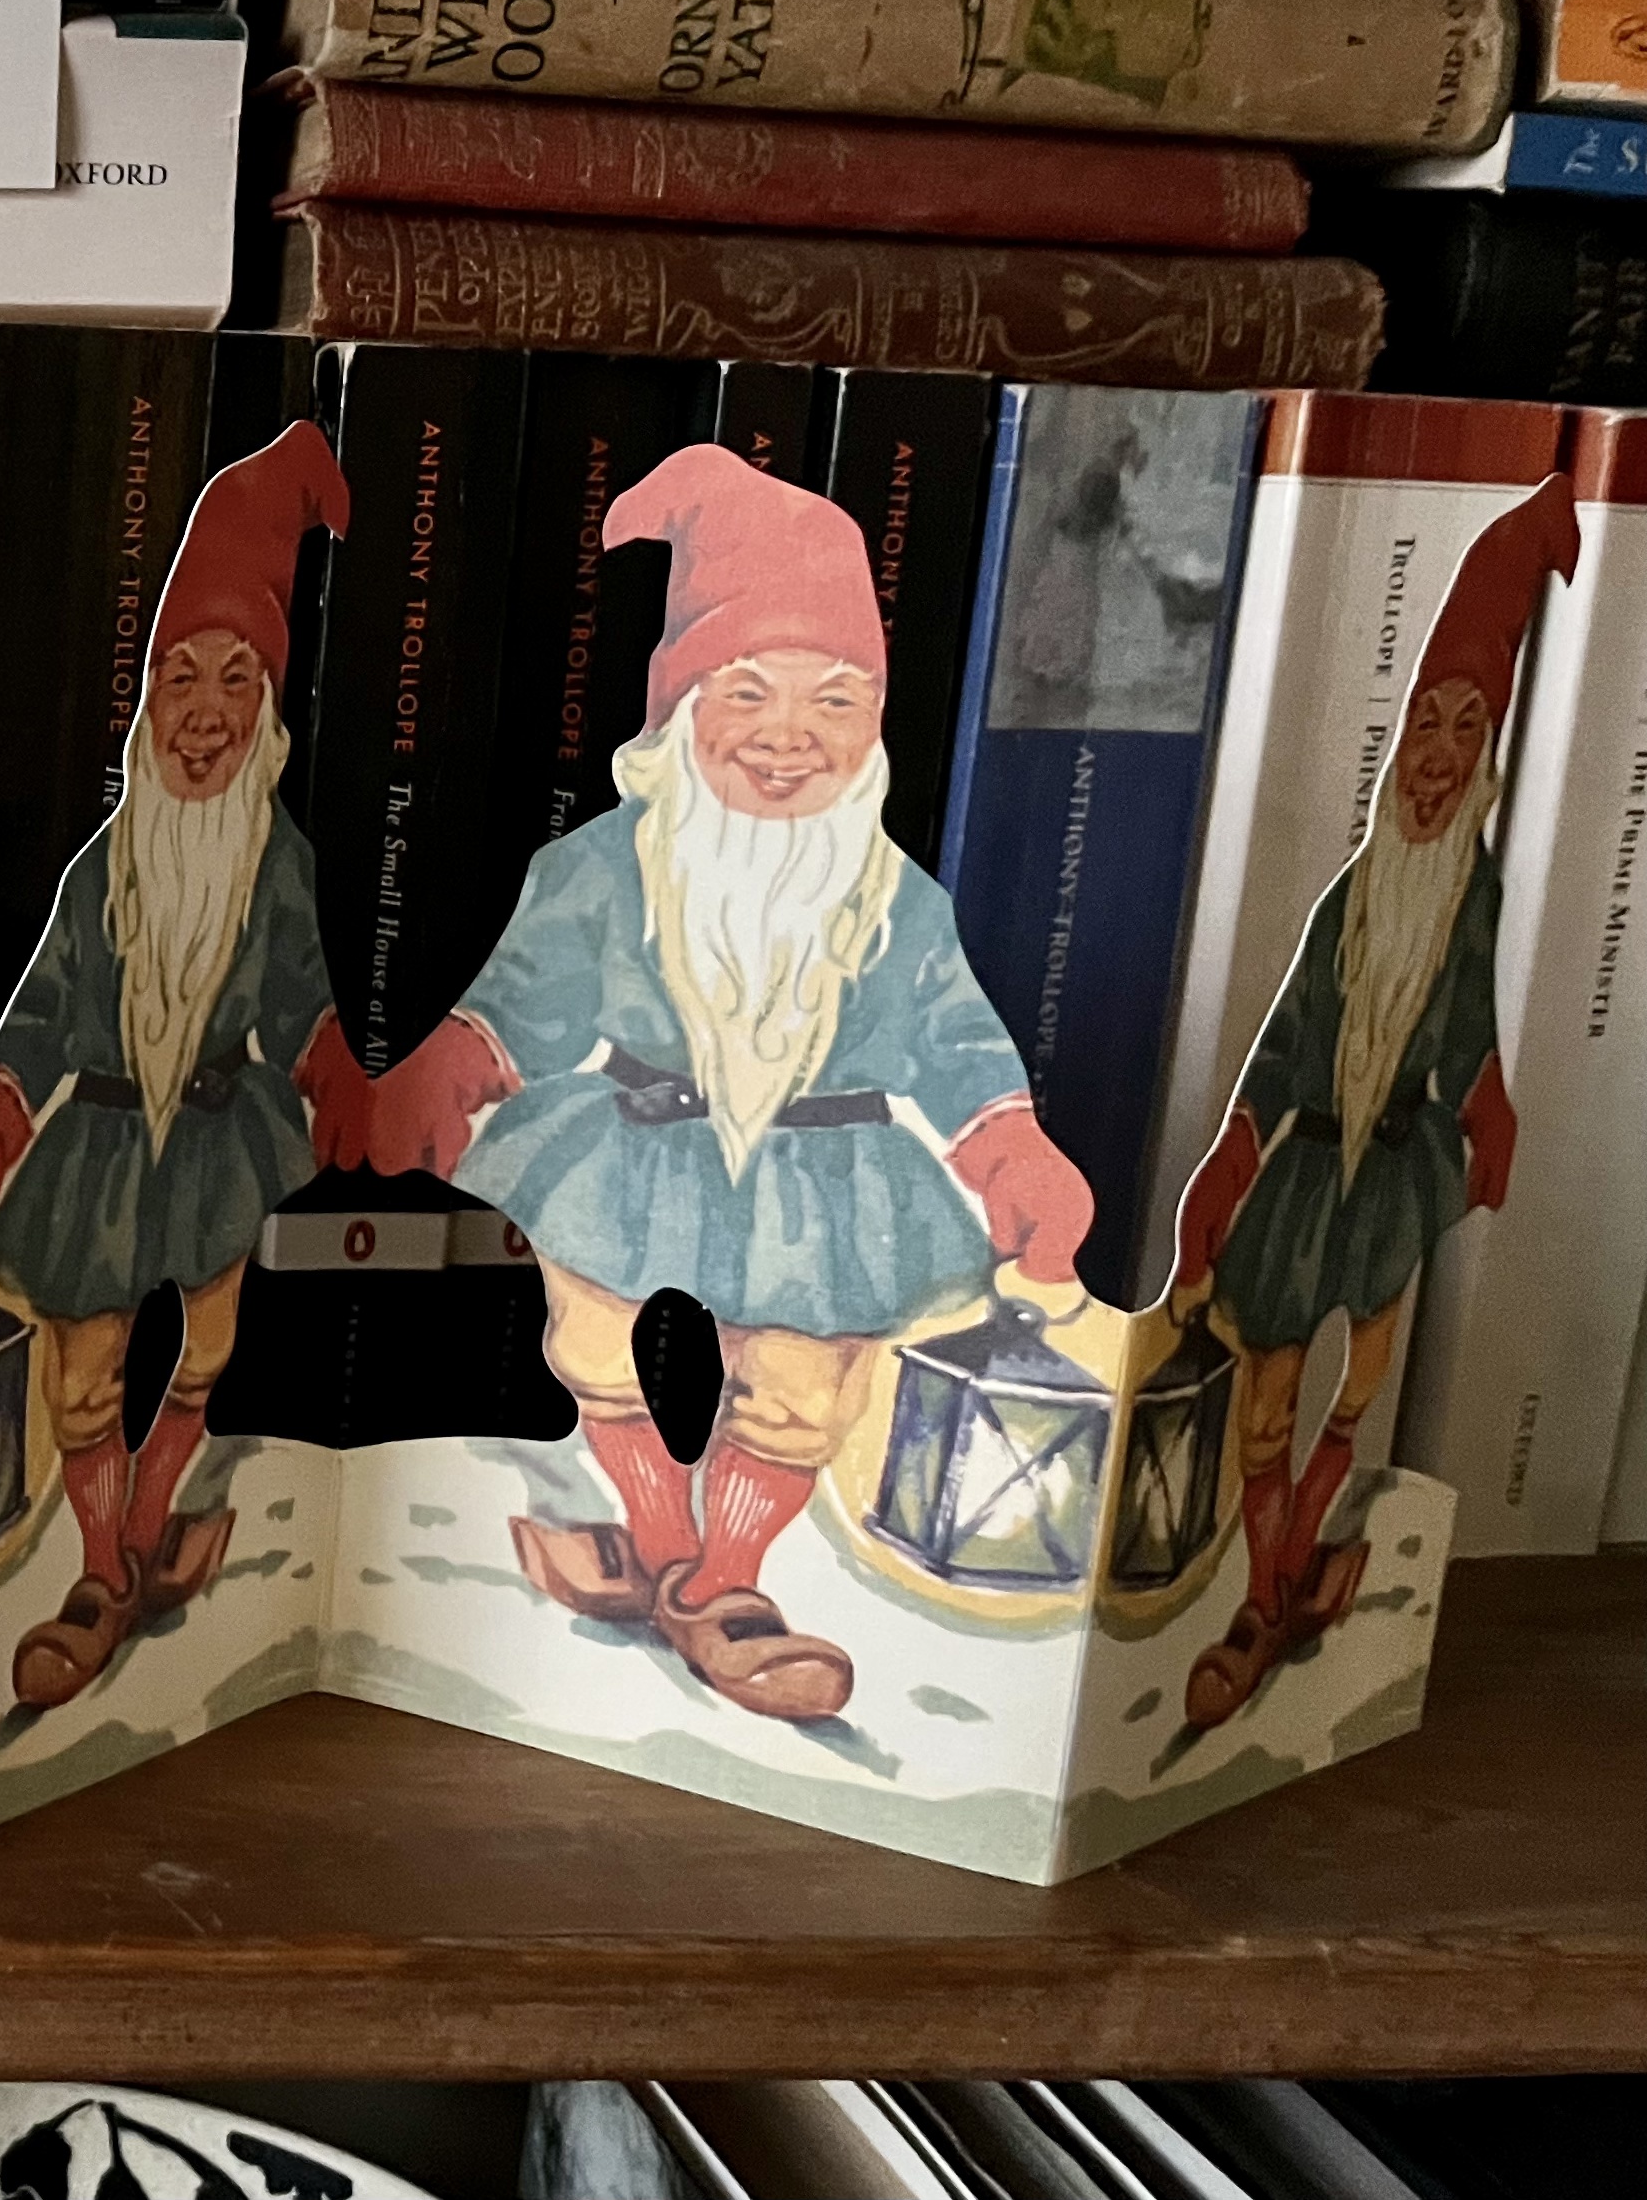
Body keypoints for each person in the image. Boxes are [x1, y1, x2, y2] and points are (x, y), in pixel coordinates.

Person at [366, 445, 1095, 1723]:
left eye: (835, 700)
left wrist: (1009, 1145)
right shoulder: (602, 868)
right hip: (632, 1149)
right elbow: (529, 994)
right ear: (681, 709)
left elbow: (957, 1041)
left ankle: (728, 1576)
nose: (787, 736)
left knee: (802, 1387)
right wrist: (452, 1065)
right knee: (594, 1335)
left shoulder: (897, 902)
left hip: (828, 1182)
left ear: (875, 723)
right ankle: (662, 1538)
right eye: (746, 690)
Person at [0, 424, 362, 1709]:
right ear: (148, 704)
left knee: (208, 1343)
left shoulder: (278, 864)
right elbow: (38, 1022)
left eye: (237, 679)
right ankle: (104, 1568)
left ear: (267, 710)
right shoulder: (100, 873)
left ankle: (151, 1515)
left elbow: (301, 992)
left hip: (221, 1135)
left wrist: (332, 1064)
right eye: (182, 677)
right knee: (84, 1377)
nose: (207, 711)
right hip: (103, 1155)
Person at [1172, 476, 1566, 1730]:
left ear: (1486, 755)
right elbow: (1285, 1044)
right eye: (1424, 726)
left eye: (1466, 728)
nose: (1438, 754)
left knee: (1362, 1383)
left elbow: (1471, 1028)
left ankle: (1295, 1579)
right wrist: (1230, 1166)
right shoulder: (1353, 893)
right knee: (1267, 1397)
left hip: (1395, 1173)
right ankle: (1262, 1595)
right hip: (1306, 1174)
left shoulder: (1474, 896)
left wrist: (1489, 1103)